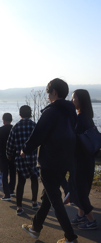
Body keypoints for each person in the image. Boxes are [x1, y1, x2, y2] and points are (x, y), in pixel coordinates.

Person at [20, 78, 78, 243]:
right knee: (48, 195)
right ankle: (35, 228)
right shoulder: (70, 111)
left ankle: (71, 238)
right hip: (64, 160)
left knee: (55, 200)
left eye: (48, 92)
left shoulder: (51, 111)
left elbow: (38, 134)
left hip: (50, 161)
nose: (47, 96)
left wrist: (25, 149)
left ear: (54, 92)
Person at [70, 89, 97, 230]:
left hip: (80, 160)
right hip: (88, 159)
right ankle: (81, 215)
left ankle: (91, 220)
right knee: (82, 189)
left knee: (78, 190)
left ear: (81, 100)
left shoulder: (80, 118)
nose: (71, 100)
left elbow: (73, 138)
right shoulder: (87, 117)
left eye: (74, 98)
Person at [9, 105, 40, 215]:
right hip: (33, 159)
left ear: (20, 114)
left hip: (20, 159)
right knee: (34, 179)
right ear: (30, 113)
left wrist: (9, 155)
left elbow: (10, 143)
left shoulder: (16, 127)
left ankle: (19, 207)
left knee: (21, 182)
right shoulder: (35, 126)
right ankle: (34, 202)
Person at [0, 113, 16, 201]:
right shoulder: (14, 128)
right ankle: (11, 189)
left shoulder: (1, 130)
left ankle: (6, 194)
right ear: (11, 120)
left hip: (3, 155)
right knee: (13, 172)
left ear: (3, 120)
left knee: (4, 173)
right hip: (13, 154)